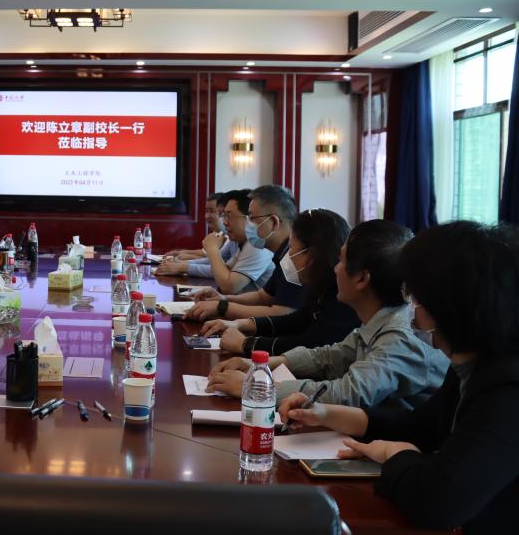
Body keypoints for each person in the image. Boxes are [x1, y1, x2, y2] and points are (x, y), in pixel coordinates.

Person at [279, 222, 519, 533]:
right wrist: (326, 414)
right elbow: (419, 426)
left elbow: (438, 503)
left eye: (415, 296)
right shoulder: (470, 365)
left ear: (448, 305)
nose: (410, 308)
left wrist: (395, 454)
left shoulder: (507, 390)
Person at [206, 219, 448, 408]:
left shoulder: (400, 335)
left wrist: (259, 388)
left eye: (341, 261)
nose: (335, 269)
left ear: (362, 278)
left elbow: (348, 394)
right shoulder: (381, 318)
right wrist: (260, 365)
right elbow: (330, 356)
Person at [200, 208, 360, 356]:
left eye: (292, 248)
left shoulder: (342, 296)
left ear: (312, 255)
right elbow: (297, 320)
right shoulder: (322, 285)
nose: (289, 256)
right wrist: (240, 324)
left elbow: (311, 345)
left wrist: (246, 344)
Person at [186, 184, 302, 320]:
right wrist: (223, 299)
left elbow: (282, 313)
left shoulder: (296, 257)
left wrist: (222, 307)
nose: (248, 223)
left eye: (251, 218)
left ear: (273, 222)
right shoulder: (281, 254)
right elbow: (263, 296)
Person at [156, 189, 272, 292]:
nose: (224, 222)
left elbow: (229, 287)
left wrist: (212, 249)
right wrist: (182, 265)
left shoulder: (257, 246)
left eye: (228, 216)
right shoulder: (244, 242)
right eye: (223, 216)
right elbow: (225, 268)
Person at [161, 191, 231, 260]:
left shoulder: (230, 236)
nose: (207, 216)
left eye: (212, 211)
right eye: (206, 211)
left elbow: (222, 262)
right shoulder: (219, 233)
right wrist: (178, 253)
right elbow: (205, 253)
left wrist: (189, 260)